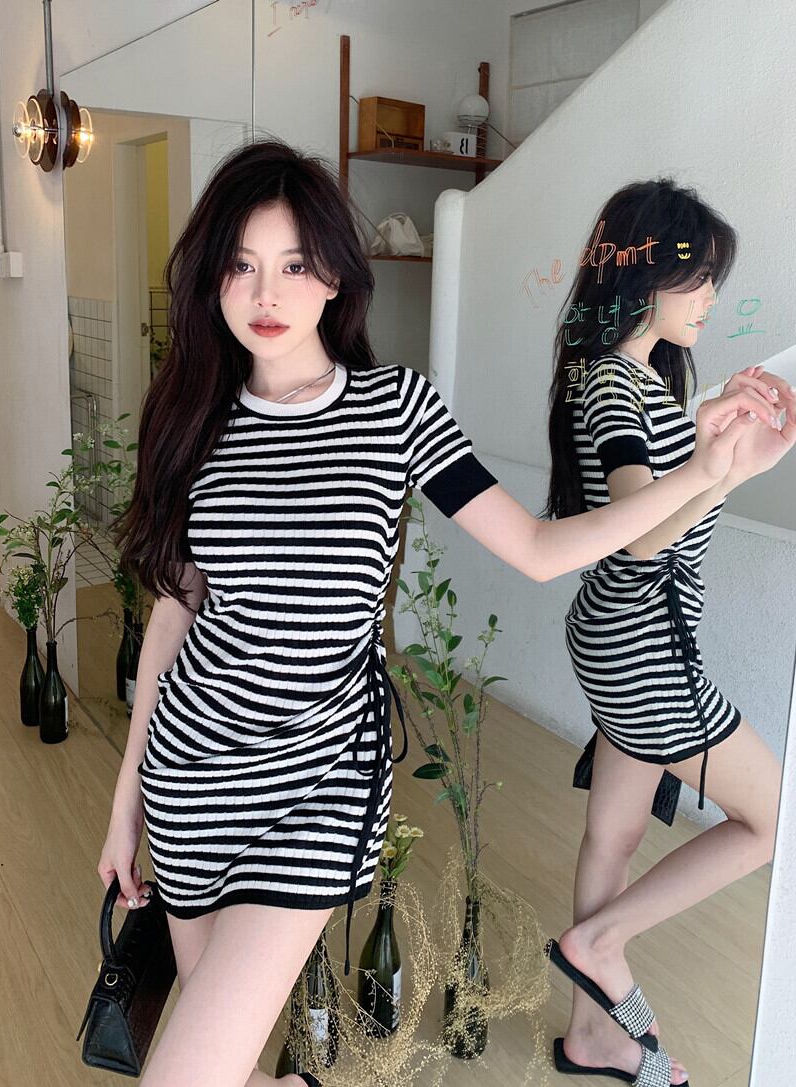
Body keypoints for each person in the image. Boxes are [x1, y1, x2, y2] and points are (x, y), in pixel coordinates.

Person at [98, 141, 794, 1087]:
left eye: (295, 264)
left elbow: (540, 548)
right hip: (191, 785)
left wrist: (710, 471)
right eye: (241, 264)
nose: (266, 292)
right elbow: (175, 616)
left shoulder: (394, 408)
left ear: (335, 275)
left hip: (314, 785)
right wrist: (125, 805)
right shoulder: (195, 418)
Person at [542, 178, 796, 1087]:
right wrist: (714, 463)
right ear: (644, 273)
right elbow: (640, 532)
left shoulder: (628, 375)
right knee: (771, 818)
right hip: (646, 648)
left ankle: (592, 1034)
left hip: (617, 635)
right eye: (698, 277)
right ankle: (601, 943)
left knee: (611, 838)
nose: (710, 297)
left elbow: (664, 519)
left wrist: (736, 465)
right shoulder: (617, 383)